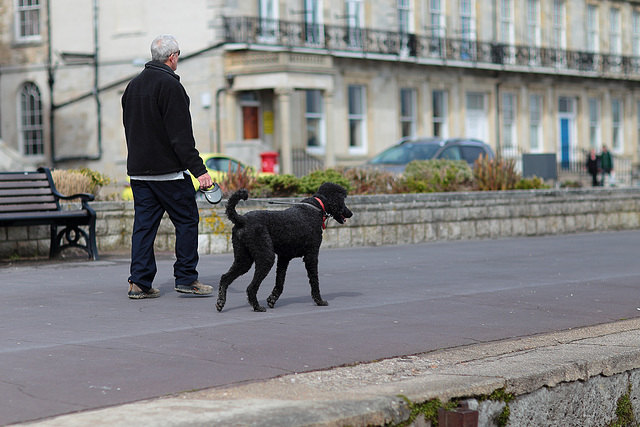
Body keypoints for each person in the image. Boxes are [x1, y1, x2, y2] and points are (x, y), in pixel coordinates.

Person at [122, 34, 214, 299]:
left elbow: (131, 130)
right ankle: (186, 278)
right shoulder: (171, 86)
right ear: (173, 57)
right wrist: (200, 172)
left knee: (144, 227)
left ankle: (139, 282)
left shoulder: (132, 86)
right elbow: (180, 137)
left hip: (139, 173)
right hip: (168, 174)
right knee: (186, 220)